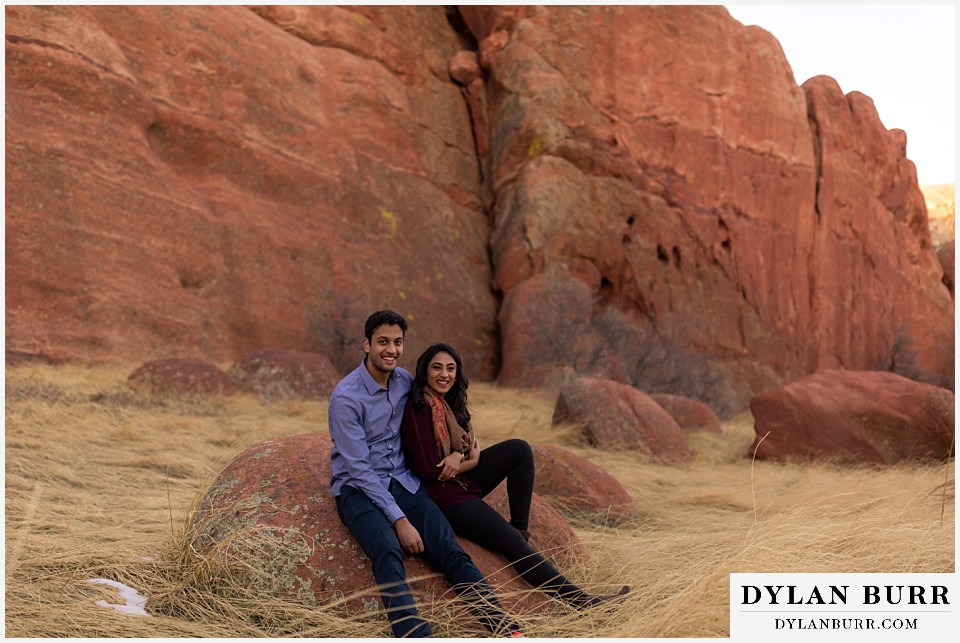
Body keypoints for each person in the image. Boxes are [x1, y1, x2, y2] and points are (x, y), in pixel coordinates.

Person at [328, 310, 524, 638]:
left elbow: (447, 405)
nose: (391, 349)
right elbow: (359, 469)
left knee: (447, 546)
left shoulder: (405, 381)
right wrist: (399, 520)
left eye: (397, 342)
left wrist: (464, 452)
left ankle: (503, 627)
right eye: (383, 342)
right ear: (366, 345)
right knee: (388, 550)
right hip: (358, 489)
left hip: (404, 480)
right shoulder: (346, 398)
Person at [400, 342, 630, 610]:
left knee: (518, 449)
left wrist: (461, 458)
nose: (444, 374)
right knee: (513, 548)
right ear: (424, 372)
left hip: (460, 481)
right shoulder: (418, 407)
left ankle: (520, 528)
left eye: (450, 369)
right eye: (436, 368)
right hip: (443, 497)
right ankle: (586, 604)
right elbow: (430, 470)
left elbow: (460, 450)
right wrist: (469, 460)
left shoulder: (448, 405)